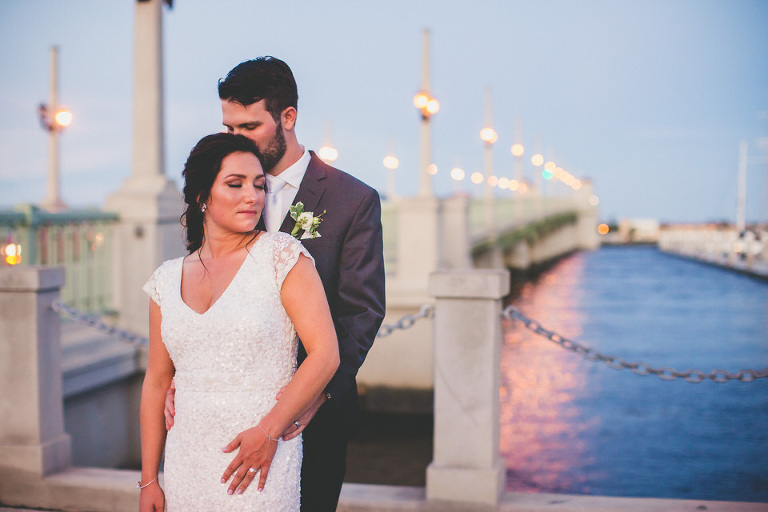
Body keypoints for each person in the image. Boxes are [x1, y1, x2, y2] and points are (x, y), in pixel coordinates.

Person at [164, 56, 386, 511]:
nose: (234, 139)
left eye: (248, 127)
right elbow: (207, 277)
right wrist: (184, 368)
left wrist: (315, 395)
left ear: (288, 118)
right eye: (228, 127)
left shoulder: (353, 199)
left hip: (311, 417)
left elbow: (362, 312)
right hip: (225, 413)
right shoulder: (223, 190)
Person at [139, 133, 340, 511]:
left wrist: (269, 432)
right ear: (202, 195)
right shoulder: (166, 280)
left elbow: (325, 354)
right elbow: (157, 381)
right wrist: (150, 478)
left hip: (262, 454)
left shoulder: (281, 256)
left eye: (260, 185)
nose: (253, 196)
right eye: (236, 184)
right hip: (187, 463)